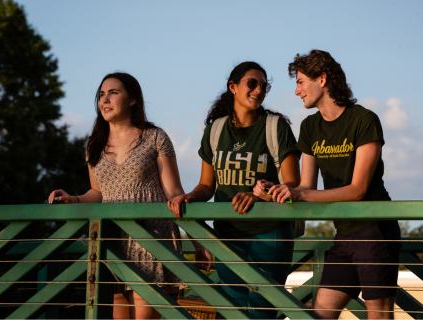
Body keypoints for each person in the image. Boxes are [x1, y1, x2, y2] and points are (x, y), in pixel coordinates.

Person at [255, 50, 401, 319]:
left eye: (300, 82)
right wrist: (273, 190)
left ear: (321, 79)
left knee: (378, 314)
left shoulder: (364, 120)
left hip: (374, 230)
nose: (297, 91)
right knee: (321, 312)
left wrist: (301, 194)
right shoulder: (310, 127)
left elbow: (357, 190)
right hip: (344, 233)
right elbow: (305, 187)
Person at [168, 61, 301, 319]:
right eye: (252, 83)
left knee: (261, 311)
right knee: (234, 312)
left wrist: (258, 194)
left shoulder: (275, 127)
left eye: (264, 85)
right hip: (227, 236)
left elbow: (293, 185)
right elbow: (207, 186)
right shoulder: (216, 130)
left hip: (269, 232)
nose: (259, 90)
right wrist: (191, 197)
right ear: (233, 87)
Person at [48, 72, 185, 320]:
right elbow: (98, 193)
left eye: (113, 93)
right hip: (111, 241)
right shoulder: (94, 145)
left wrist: (198, 239)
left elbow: (174, 193)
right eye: (101, 94)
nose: (105, 100)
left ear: (132, 99)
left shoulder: (155, 137)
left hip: (150, 238)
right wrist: (74, 199)